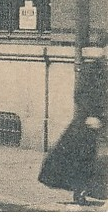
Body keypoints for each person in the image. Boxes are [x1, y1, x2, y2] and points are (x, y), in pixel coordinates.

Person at [41, 58, 108, 204]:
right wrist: (90, 115)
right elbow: (80, 94)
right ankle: (80, 192)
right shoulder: (95, 68)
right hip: (89, 122)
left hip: (102, 122)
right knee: (83, 159)